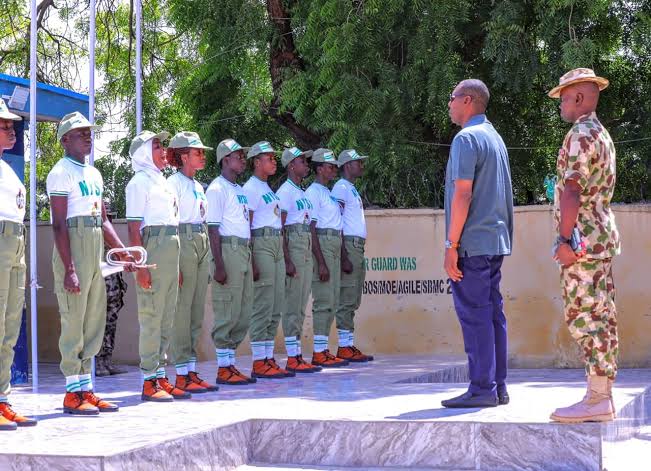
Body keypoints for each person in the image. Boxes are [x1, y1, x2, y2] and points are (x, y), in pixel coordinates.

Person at [47, 112, 136, 415]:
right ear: (64, 140)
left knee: (93, 321)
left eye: (89, 132)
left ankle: (87, 388)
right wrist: (69, 268)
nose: (87, 136)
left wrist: (124, 252)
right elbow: (59, 224)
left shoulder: (94, 175)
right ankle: (72, 392)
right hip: (74, 247)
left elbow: (103, 220)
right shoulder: (61, 172)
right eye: (79, 132)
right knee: (74, 320)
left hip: (95, 248)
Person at [547, 68, 620, 423]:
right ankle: (601, 394)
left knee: (585, 315)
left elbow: (572, 190)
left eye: (563, 96)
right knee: (601, 314)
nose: (560, 103)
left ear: (578, 97)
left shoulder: (579, 135)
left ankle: (596, 399)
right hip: (601, 238)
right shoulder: (602, 135)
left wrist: (563, 239)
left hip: (582, 243)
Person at [440, 79, 513, 408]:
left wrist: (450, 244)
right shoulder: (495, 138)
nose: (450, 104)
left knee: (475, 316)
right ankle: (498, 386)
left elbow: (463, 193)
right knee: (493, 314)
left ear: (467, 100)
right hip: (495, 241)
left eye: (452, 98)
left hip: (471, 244)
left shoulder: (466, 138)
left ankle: (481, 387)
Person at [126, 130, 187, 402]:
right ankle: (149, 379)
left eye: (162, 146)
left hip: (171, 246)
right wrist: (141, 265)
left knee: (166, 317)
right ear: (142, 153)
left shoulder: (162, 181)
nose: (163, 151)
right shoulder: (138, 182)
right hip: (153, 246)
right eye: (156, 146)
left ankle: (160, 375)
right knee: (152, 316)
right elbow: (133, 227)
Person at [166, 131, 218, 393]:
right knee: (182, 311)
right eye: (197, 152)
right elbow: (170, 221)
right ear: (183, 156)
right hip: (183, 239)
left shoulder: (198, 186)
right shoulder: (172, 184)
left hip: (201, 238)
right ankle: (181, 372)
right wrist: (174, 261)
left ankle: (191, 370)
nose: (202, 156)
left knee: (196, 310)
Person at [206, 139, 256, 385]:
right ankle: (224, 367)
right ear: (226, 160)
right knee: (228, 310)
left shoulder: (239, 189)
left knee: (244, 312)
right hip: (228, 249)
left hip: (243, 249)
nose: (243, 159)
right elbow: (212, 229)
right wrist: (219, 264)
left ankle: (230, 362)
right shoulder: (217, 189)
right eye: (238, 155)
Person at [0, 98, 37, 430]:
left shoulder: (8, 169)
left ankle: (3, 399)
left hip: (15, 242)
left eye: (12, 124)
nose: (11, 129)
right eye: (4, 125)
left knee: (10, 326)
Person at [243, 141, 293, 379]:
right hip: (261, 244)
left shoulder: (267, 188)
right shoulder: (251, 188)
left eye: (274, 158)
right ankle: (258, 360)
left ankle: (268, 356)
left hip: (275, 243)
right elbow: (248, 226)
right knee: (263, 303)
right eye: (269, 158)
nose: (274, 162)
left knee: (275, 304)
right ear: (256, 162)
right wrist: (252, 259)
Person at [276, 147, 321, 373]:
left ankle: (297, 354)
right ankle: (292, 356)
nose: (306, 165)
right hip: (293, 244)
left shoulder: (301, 192)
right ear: (291, 165)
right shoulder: (286, 191)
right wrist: (287, 259)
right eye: (302, 161)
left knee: (302, 302)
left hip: (304, 245)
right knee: (292, 304)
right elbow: (280, 226)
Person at [305, 149, 349, 368]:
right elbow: (311, 228)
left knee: (332, 299)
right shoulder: (314, 192)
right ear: (319, 168)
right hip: (322, 243)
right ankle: (319, 351)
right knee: (323, 299)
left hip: (333, 243)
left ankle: (323, 349)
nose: (333, 170)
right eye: (330, 166)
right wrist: (320, 261)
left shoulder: (327, 192)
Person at [332, 149, 374, 363]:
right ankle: (344, 346)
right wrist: (343, 255)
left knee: (353, 296)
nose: (361, 165)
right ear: (347, 165)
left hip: (356, 246)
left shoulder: (350, 189)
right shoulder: (340, 188)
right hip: (348, 245)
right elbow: (336, 221)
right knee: (347, 296)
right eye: (357, 162)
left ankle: (347, 344)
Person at [95, 201, 128, 377]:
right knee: (98, 324)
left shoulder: (112, 238)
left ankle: (107, 361)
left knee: (110, 324)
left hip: (114, 287)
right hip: (102, 286)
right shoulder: (93, 237)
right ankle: (97, 363)